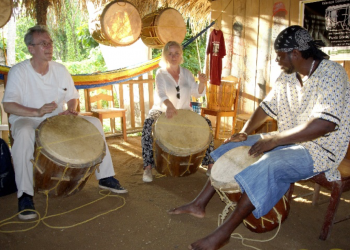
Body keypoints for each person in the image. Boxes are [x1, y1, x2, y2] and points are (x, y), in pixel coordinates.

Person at [167, 25, 350, 250]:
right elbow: (266, 106)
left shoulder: (332, 74)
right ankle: (199, 203)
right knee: (231, 146)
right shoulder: (289, 77)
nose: (277, 60)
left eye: (280, 55)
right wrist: (244, 131)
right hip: (286, 138)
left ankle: (224, 233)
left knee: (269, 163)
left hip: (319, 149)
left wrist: (275, 140)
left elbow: (325, 124)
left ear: (295, 53)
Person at [2, 25, 128, 221]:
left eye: (50, 42)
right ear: (31, 48)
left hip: (57, 120)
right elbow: (8, 105)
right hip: (28, 118)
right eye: (43, 43)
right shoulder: (19, 72)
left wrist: (71, 108)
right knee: (25, 133)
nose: (49, 46)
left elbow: (72, 96)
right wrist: (35, 111)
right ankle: (25, 196)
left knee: (94, 123)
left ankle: (105, 177)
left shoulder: (60, 70)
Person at [141, 41, 214, 182]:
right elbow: (160, 93)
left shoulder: (186, 73)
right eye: (170, 53)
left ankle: (210, 165)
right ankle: (148, 168)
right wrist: (168, 105)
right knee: (148, 124)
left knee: (207, 124)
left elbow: (197, 93)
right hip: (162, 110)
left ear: (181, 55)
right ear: (165, 56)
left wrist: (202, 83)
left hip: (183, 111)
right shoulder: (160, 73)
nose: (174, 56)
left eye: (176, 53)